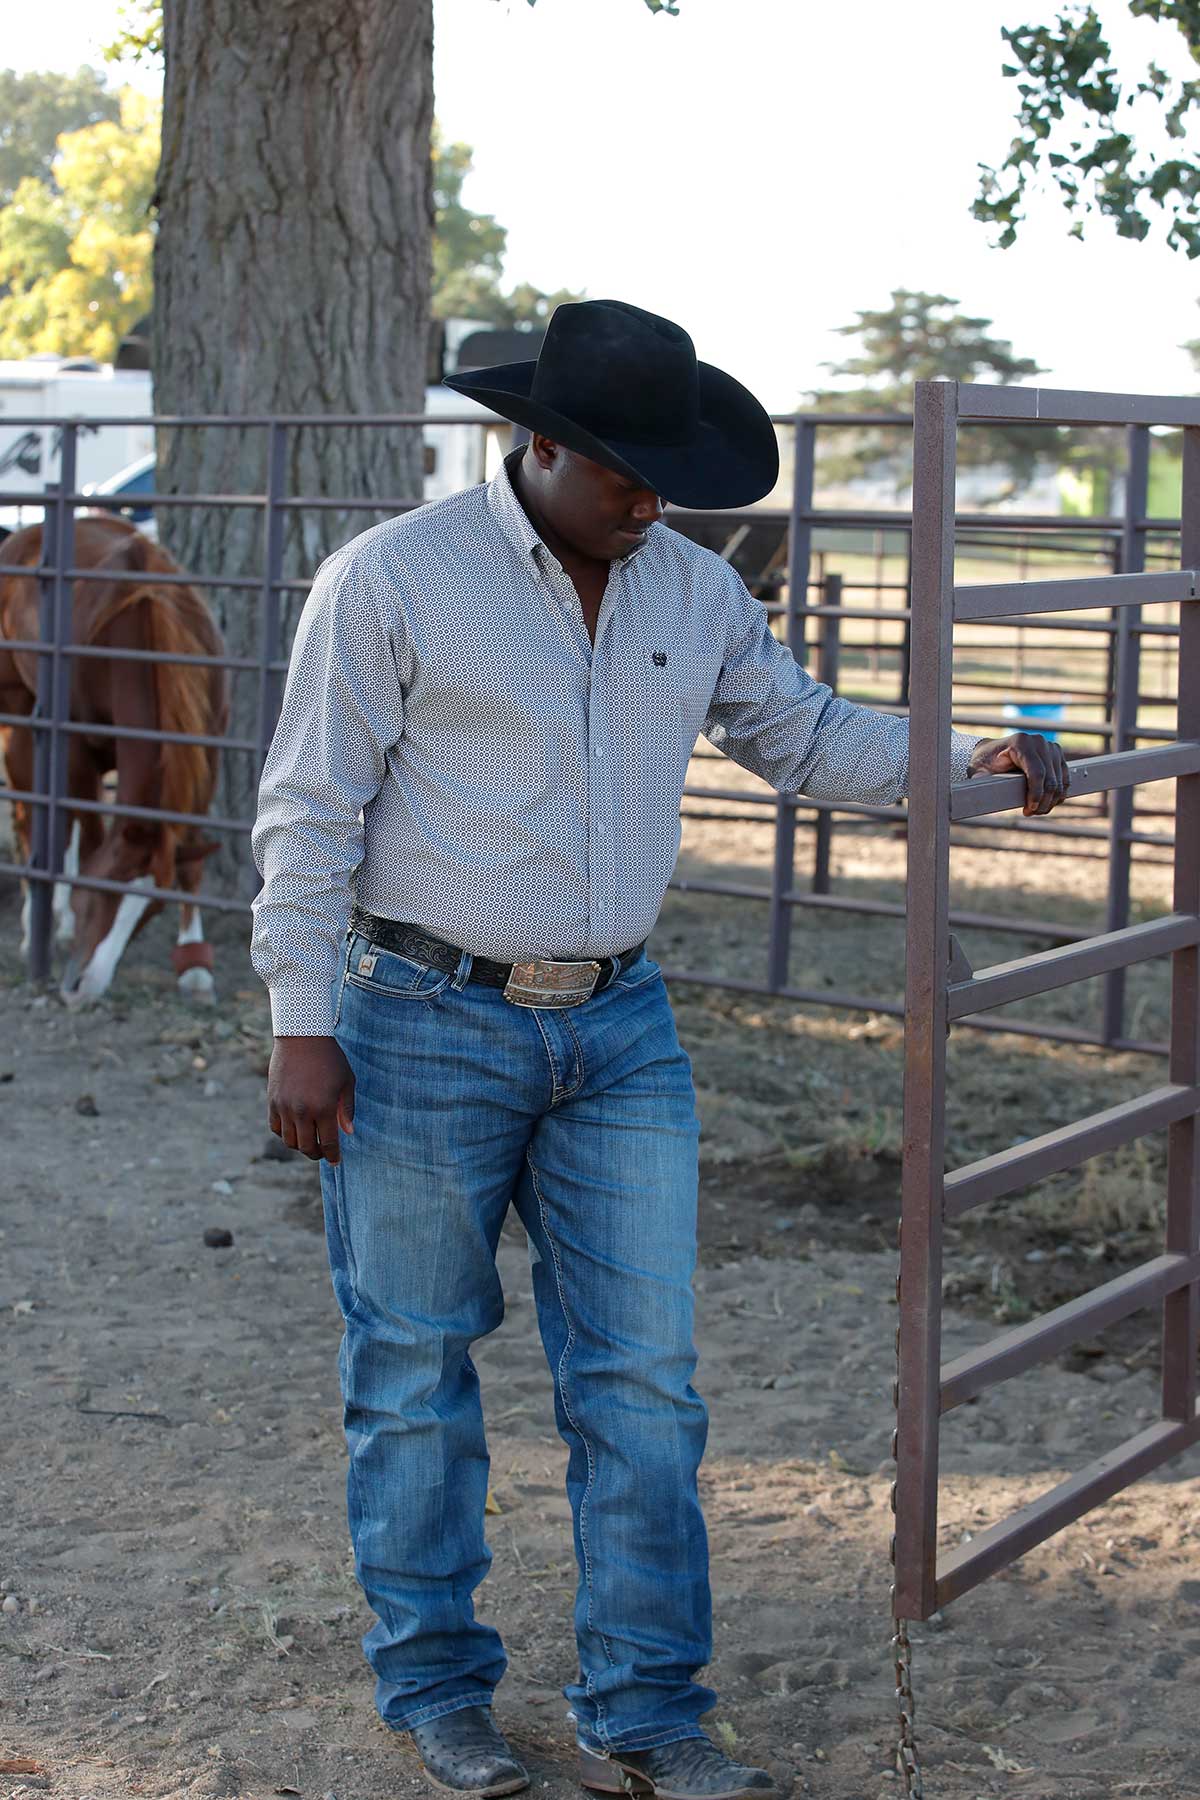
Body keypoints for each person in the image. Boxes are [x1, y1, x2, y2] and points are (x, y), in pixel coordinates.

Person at [250, 299, 1069, 1800]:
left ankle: (647, 1709)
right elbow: (311, 809)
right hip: (421, 1021)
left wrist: (973, 765)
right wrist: (304, 1025)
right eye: (624, 471)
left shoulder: (690, 592)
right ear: (537, 444)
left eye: (664, 473)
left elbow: (806, 736)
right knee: (417, 1366)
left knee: (645, 1382)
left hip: (621, 1029)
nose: (649, 497)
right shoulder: (393, 583)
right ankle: (438, 1692)